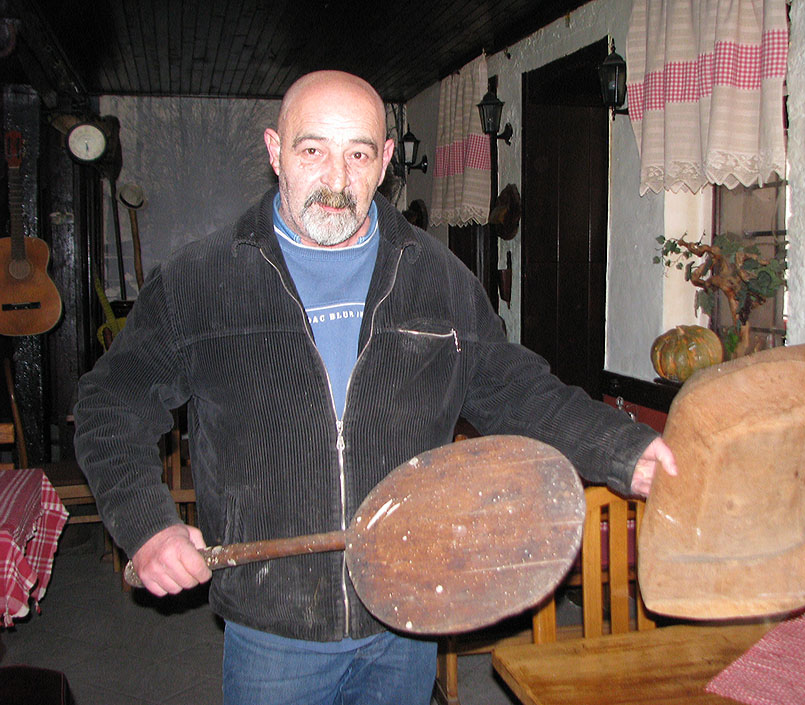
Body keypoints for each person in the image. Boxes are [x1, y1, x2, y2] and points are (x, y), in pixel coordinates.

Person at [73, 70, 677, 705]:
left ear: (386, 161)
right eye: (313, 150)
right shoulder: (199, 280)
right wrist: (147, 524)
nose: (336, 180)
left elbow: (516, 389)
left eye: (358, 154)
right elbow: (110, 404)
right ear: (276, 152)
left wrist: (625, 450)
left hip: (406, 608)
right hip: (274, 625)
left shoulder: (437, 278)